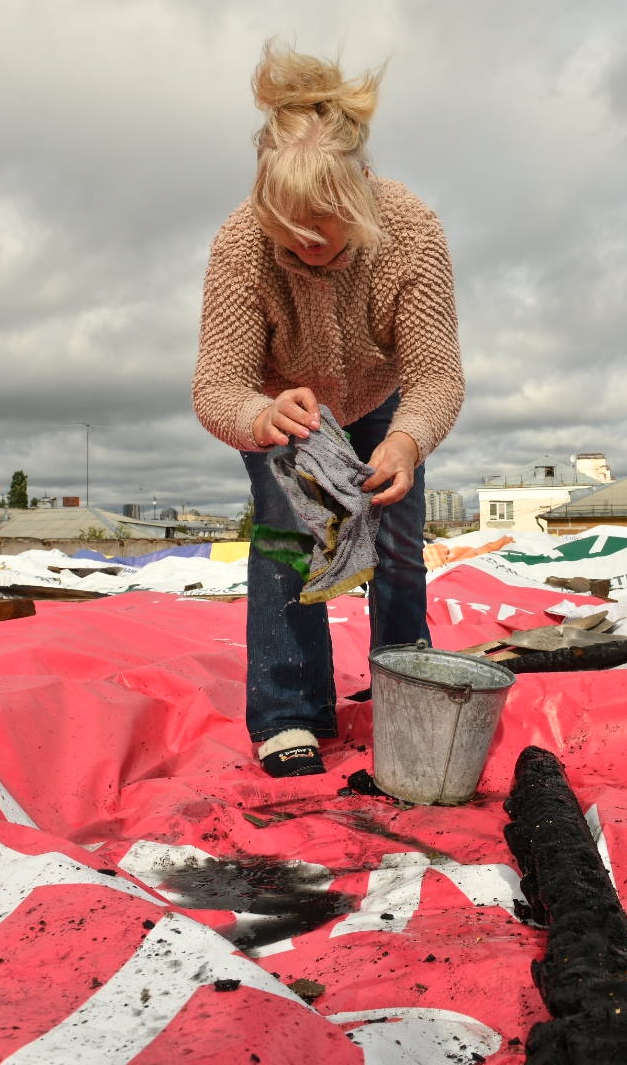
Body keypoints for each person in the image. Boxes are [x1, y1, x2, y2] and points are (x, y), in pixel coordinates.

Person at [192, 39, 465, 778]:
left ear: (359, 195)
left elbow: (437, 376)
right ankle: (289, 713)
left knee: (400, 548)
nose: (309, 244)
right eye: (291, 228)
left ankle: (404, 689)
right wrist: (259, 417)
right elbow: (217, 383)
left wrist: (407, 442)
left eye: (328, 224)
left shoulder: (411, 229)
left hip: (382, 403)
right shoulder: (239, 244)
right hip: (284, 408)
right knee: (286, 547)